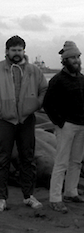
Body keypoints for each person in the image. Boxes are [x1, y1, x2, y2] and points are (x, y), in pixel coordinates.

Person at [0, 35, 47, 211]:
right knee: (2, 159)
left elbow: (44, 89)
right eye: (14, 50)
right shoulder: (0, 69)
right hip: (5, 120)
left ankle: (28, 196)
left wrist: (36, 104)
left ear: (24, 51)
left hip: (27, 119)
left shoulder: (34, 71)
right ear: (7, 51)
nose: (17, 53)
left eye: (20, 50)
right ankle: (1, 198)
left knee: (27, 158)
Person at [43, 41, 84, 213]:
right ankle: (55, 198)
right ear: (65, 60)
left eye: (78, 57)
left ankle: (71, 192)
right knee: (61, 162)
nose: (77, 60)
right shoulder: (57, 80)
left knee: (76, 161)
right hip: (66, 126)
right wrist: (60, 123)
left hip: (81, 125)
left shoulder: (82, 78)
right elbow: (48, 103)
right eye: (73, 58)